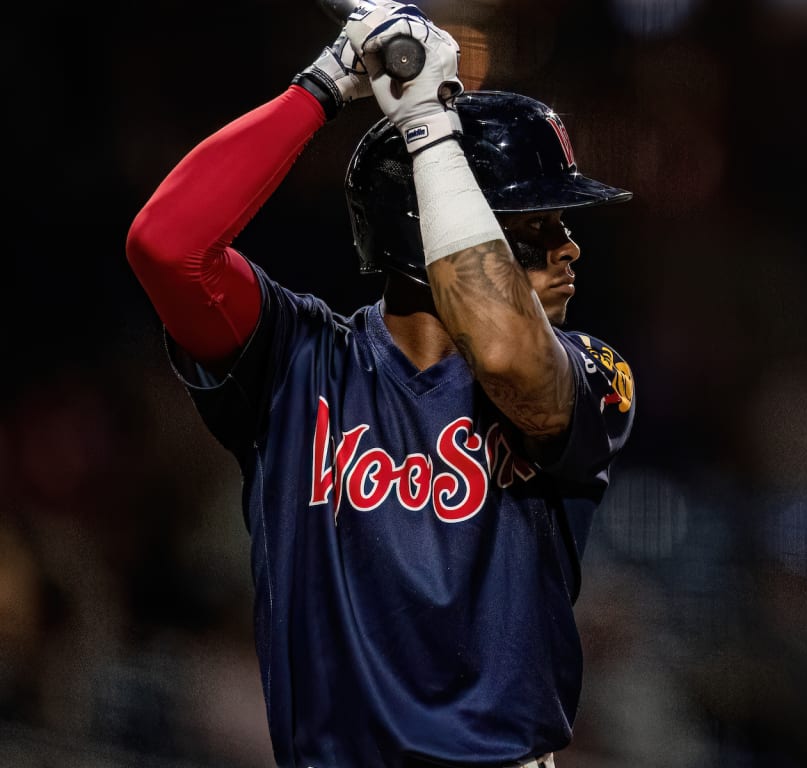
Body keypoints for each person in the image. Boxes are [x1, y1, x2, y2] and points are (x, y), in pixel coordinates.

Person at [123, 4, 635, 766]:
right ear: (432, 224)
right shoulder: (296, 362)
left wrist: (427, 120)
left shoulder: (591, 371)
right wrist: (325, 84)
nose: (571, 249)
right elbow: (167, 248)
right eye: (534, 227)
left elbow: (499, 351)